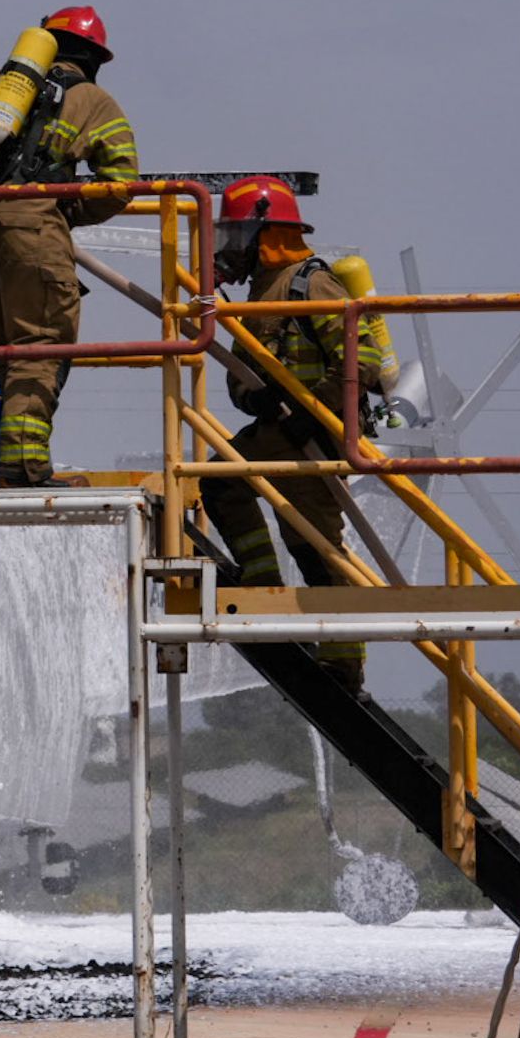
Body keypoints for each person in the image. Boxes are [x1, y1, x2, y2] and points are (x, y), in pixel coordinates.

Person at [199, 175, 397, 694]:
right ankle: (264, 585)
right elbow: (238, 374)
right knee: (220, 480)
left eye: (238, 234)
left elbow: (365, 360)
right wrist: (255, 399)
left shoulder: (311, 282)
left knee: (314, 543)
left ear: (268, 233)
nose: (229, 247)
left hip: (317, 436)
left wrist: (315, 410)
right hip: (278, 430)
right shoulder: (260, 289)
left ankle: (343, 661)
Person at [0, 5, 138, 486]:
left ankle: (6, 459)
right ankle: (25, 469)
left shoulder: (1, 85)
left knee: (3, 348)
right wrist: (66, 212)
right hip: (33, 223)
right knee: (40, 346)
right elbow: (120, 183)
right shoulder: (93, 99)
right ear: (94, 57)